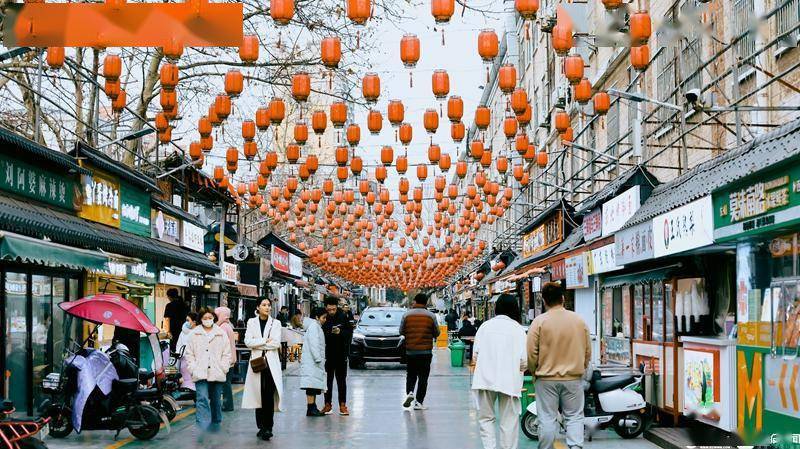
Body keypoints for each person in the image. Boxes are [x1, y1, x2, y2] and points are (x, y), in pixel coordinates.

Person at [528, 282, 591, 449]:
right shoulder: (579, 321)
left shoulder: (539, 322)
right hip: (573, 378)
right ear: (563, 298)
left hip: (546, 379)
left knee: (547, 417)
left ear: (544, 301)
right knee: (574, 416)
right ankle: (576, 446)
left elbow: (531, 353)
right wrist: (582, 368)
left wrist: (535, 373)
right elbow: (587, 350)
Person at [472, 294, 527, 449]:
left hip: (484, 379)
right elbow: (524, 361)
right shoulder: (518, 329)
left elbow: (475, 357)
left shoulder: (485, 327)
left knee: (486, 418)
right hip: (509, 381)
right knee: (509, 420)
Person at [242, 298, 284, 441]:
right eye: (264, 305)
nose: (267, 307)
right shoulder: (251, 322)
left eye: (269, 305)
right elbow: (248, 342)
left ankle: (268, 428)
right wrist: (265, 341)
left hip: (271, 364)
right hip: (257, 363)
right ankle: (261, 426)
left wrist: (258, 344)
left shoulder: (276, 323)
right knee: (257, 394)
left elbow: (276, 343)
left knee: (268, 395)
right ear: (258, 307)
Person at [184, 307, 232, 430]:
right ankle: (202, 425)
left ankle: (216, 423)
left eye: (210, 318)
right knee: (202, 397)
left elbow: (227, 353)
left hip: (217, 371)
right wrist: (193, 368)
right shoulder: (194, 334)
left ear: (214, 318)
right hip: (200, 371)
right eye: (205, 318)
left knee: (216, 399)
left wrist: (223, 367)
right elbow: (189, 353)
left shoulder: (221, 333)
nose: (208, 320)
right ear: (200, 319)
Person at [399, 293, 440, 410]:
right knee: (423, 377)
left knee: (411, 374)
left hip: (411, 351)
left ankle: (410, 392)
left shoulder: (406, 315)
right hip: (425, 352)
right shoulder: (431, 316)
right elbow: (437, 333)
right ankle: (419, 403)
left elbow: (401, 331)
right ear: (426, 302)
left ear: (415, 301)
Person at [321, 296, 352, 415]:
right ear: (326, 308)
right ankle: (327, 404)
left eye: (333, 309)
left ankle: (342, 405)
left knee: (341, 381)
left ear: (336, 307)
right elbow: (320, 332)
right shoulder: (324, 318)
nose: (331, 312)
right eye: (329, 310)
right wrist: (329, 332)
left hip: (341, 354)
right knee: (327, 381)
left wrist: (341, 332)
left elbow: (349, 333)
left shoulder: (343, 317)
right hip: (328, 354)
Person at [300, 307, 328, 417]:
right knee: (311, 385)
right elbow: (314, 344)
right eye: (323, 317)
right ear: (316, 317)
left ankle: (313, 407)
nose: (325, 320)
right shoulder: (314, 327)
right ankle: (311, 408)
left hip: (313, 361)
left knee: (313, 384)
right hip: (313, 361)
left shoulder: (315, 326)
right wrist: (318, 358)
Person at [215, 306, 237, 412]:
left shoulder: (223, 327)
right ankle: (228, 404)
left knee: (225, 383)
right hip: (230, 359)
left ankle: (227, 405)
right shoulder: (228, 325)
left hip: (226, 360)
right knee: (226, 383)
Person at [175, 312, 199, 391]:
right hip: (183, 359)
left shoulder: (198, 332)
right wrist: (180, 353)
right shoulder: (183, 332)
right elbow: (179, 345)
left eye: (188, 320)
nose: (186, 322)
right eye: (186, 320)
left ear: (194, 322)